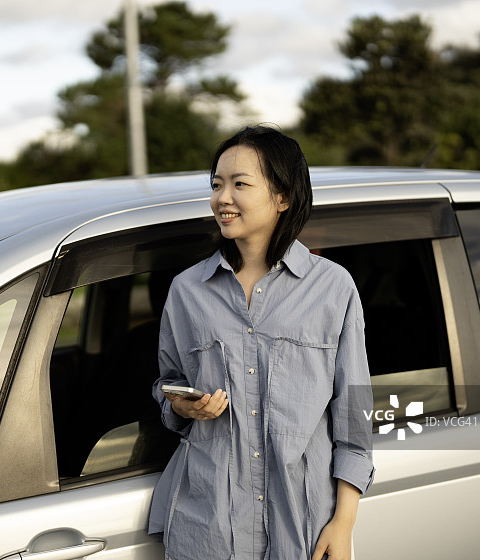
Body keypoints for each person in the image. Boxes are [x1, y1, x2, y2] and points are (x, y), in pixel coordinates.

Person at [148, 125, 375, 560]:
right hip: (208, 531)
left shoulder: (333, 288)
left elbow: (354, 417)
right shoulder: (186, 291)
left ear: (283, 197)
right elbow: (168, 382)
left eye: (240, 184)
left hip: (304, 529)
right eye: (216, 185)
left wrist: (343, 524)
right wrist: (179, 403)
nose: (223, 198)